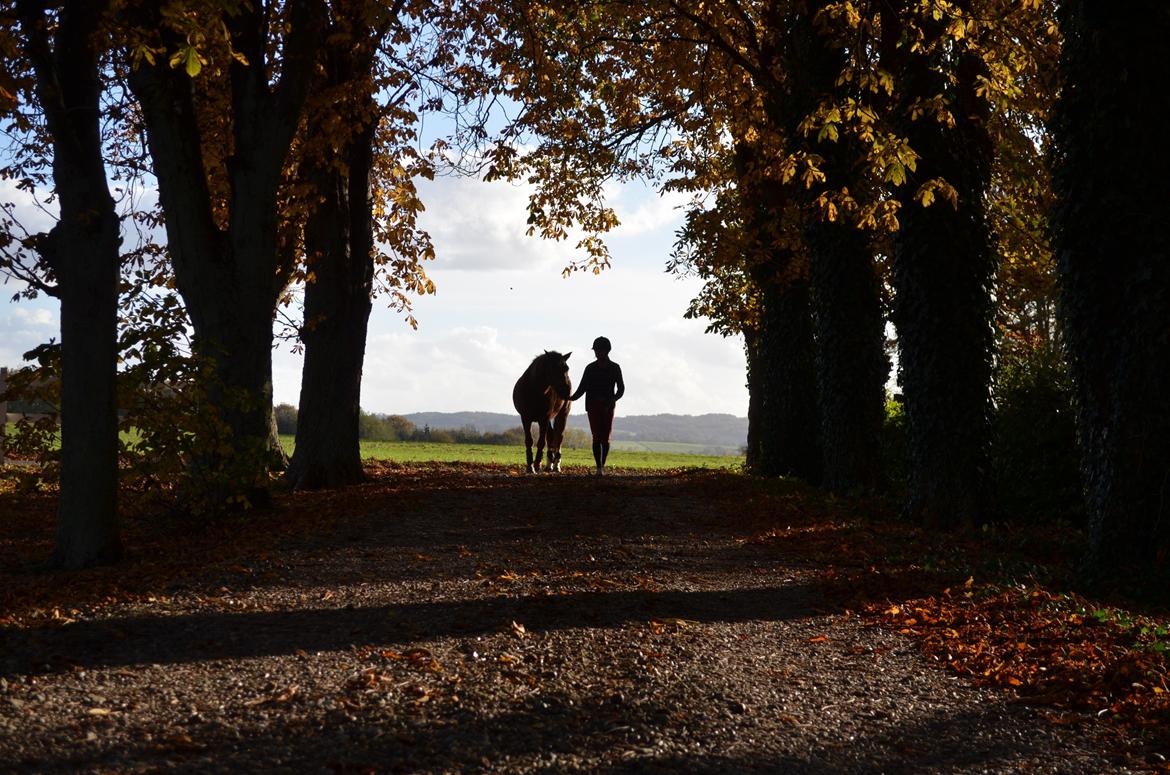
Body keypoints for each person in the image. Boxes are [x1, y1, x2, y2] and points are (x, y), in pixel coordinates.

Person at [570, 336, 625, 475]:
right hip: (593, 405)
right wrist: (569, 398)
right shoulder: (590, 368)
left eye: (599, 350)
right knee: (596, 435)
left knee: (605, 436)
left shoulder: (615, 368)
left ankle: (602, 465)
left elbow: (621, 388)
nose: (596, 353)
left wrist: (613, 399)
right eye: (596, 350)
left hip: (608, 405)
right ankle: (599, 467)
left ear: (606, 351)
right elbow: (582, 388)